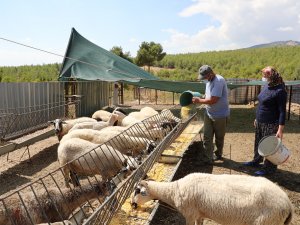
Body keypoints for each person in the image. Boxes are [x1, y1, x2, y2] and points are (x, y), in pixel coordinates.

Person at [243, 66, 287, 176]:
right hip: (260, 121)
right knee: (258, 143)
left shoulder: (280, 90)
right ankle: (256, 161)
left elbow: (282, 111)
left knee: (269, 147)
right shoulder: (267, 86)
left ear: (273, 75)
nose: (263, 76)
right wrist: (257, 118)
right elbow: (262, 103)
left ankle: (268, 169)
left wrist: (280, 130)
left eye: (266, 73)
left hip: (271, 124)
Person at [192, 65, 230, 164]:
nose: (204, 79)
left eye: (205, 77)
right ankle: (208, 158)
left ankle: (218, 154)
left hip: (220, 114)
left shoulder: (219, 81)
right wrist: (202, 96)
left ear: (211, 74)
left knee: (219, 137)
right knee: (207, 136)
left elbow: (213, 100)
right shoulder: (209, 81)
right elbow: (208, 95)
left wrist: (199, 100)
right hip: (209, 112)